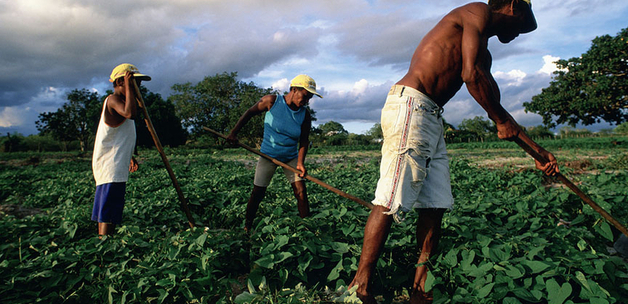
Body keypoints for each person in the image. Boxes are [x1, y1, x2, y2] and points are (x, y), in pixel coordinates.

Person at [348, 1, 559, 303]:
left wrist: (538, 152)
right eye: (522, 23)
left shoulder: (482, 51)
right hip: (411, 105)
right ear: (513, 6)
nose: (519, 33)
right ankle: (361, 286)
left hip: (431, 115)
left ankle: (420, 288)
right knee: (391, 198)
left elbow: (496, 111)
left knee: (435, 204)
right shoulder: (476, 12)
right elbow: (470, 76)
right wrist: (500, 119)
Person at [226, 74, 321, 233]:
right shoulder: (271, 101)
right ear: (293, 90)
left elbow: (304, 140)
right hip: (268, 156)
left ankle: (308, 230)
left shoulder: (305, 114)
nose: (306, 101)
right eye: (304, 96)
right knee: (258, 192)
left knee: (301, 192)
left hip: (290, 157)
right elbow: (249, 113)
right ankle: (247, 227)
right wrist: (233, 133)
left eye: (309, 98)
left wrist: (300, 163)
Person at [91, 63, 150, 236]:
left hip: (117, 161)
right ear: (119, 82)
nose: (137, 87)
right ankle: (104, 243)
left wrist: (130, 155)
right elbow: (130, 113)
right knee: (107, 209)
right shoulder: (113, 100)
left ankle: (106, 240)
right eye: (133, 83)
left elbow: (123, 134)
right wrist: (129, 87)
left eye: (138, 84)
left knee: (112, 205)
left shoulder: (124, 103)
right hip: (110, 164)